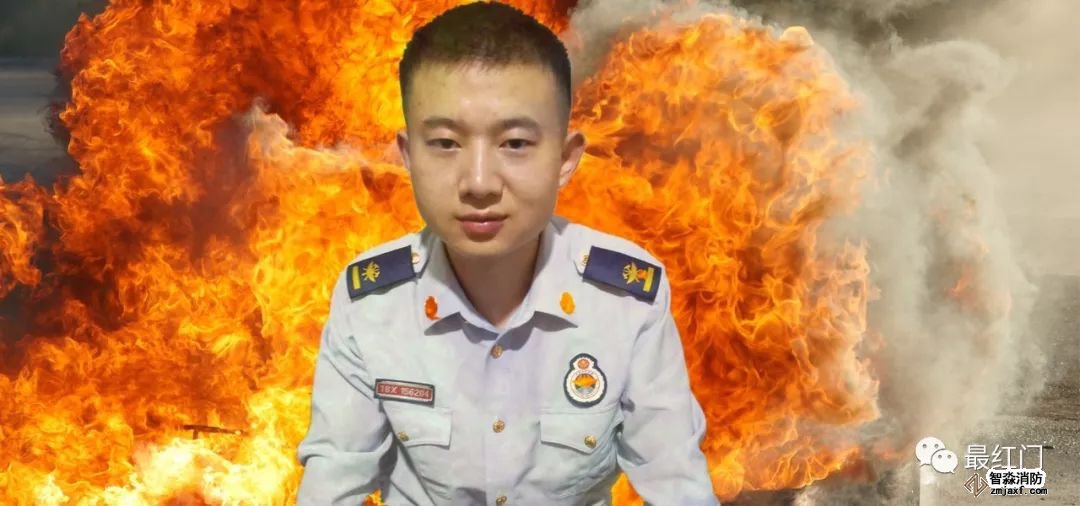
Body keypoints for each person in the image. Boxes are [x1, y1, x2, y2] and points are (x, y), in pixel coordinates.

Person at [296, 2, 718, 504]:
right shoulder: (371, 303)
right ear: (408, 157)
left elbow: (675, 481)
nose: (479, 183)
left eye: (515, 143)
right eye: (446, 143)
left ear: (565, 159)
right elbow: (335, 478)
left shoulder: (625, 301)